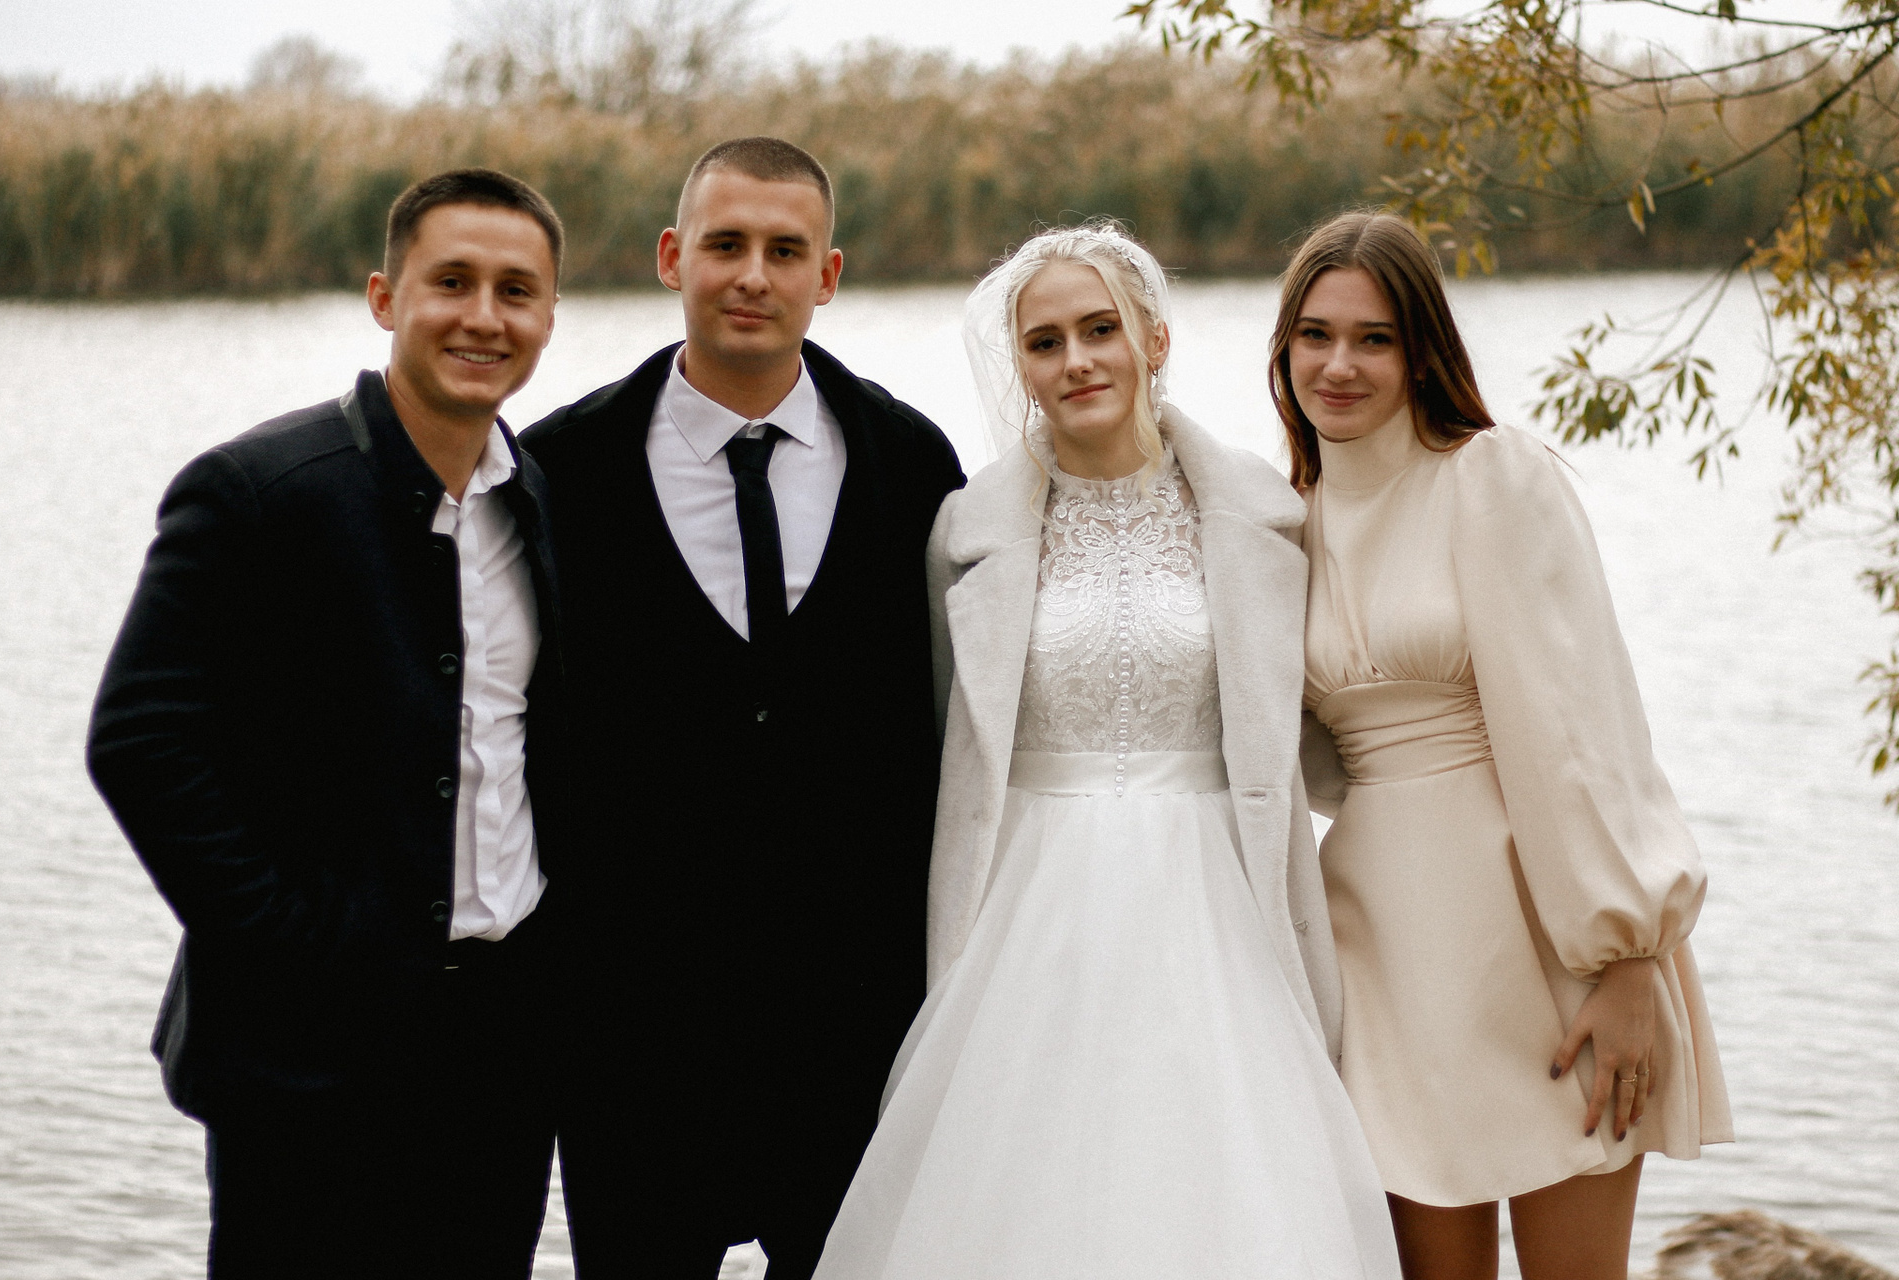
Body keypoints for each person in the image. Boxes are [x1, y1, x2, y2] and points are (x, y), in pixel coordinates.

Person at [811, 223, 1402, 1279]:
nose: (1076, 360)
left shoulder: (1265, 516)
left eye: (1100, 330)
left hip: (1220, 908)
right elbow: (948, 731)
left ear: (1153, 339)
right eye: (1045, 343)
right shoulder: (963, 534)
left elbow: (1322, 721)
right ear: (1021, 365)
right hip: (1027, 914)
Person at [85, 168, 569, 1279]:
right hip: (307, 1054)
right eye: (451, 282)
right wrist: (294, 947)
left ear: (550, 316)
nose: (484, 316)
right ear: (385, 297)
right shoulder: (258, 490)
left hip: (499, 1053)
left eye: (516, 290)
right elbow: (140, 740)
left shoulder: (538, 499)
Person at [517, 137, 965, 1279]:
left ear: (830, 274)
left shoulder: (914, 463)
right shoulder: (560, 468)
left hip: (854, 1035)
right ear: (673, 256)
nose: (753, 276)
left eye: (785, 250)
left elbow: (949, 727)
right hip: (633, 1040)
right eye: (726, 245)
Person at [1281, 211, 1733, 1280]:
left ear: (1423, 352)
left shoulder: (1490, 477)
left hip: (1548, 942)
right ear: (1283, 348)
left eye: (1375, 338)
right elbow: (1295, 759)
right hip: (1383, 954)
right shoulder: (1284, 520)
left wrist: (1628, 956)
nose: (1339, 365)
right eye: (1315, 334)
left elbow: (1583, 725)